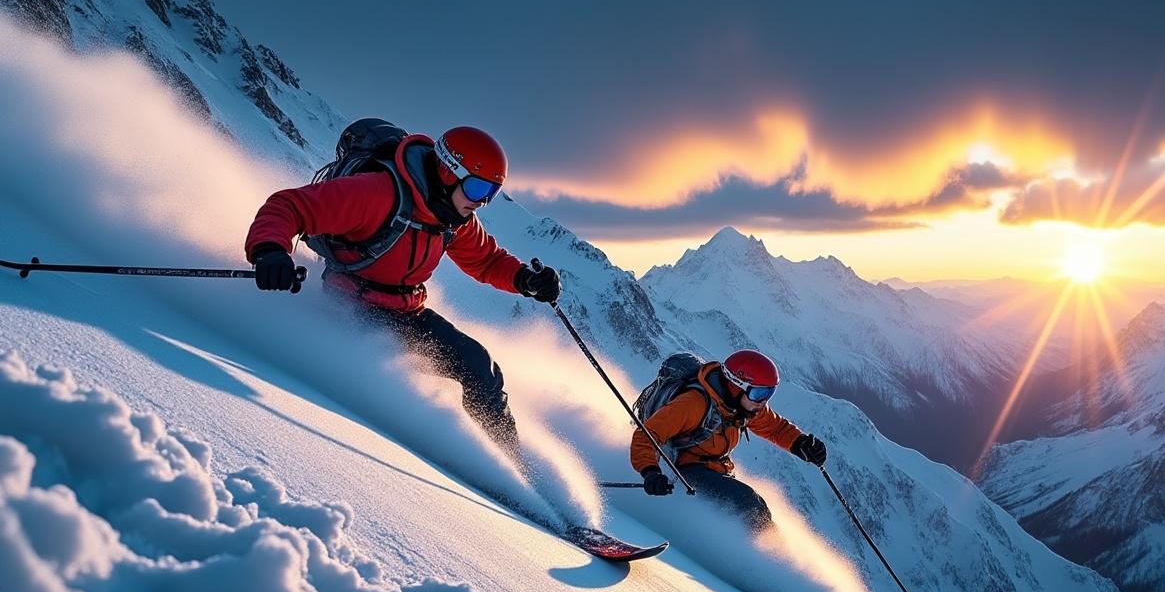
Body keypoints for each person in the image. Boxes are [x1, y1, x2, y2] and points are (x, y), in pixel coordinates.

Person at [244, 124, 561, 459]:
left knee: (480, 367)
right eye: (477, 188)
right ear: (448, 172)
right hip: (351, 307)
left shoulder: (454, 218)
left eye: (490, 194)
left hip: (406, 310)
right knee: (394, 382)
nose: (481, 202)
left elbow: (486, 260)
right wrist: (270, 250)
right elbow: (290, 207)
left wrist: (525, 279)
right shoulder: (378, 193)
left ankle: (511, 465)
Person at [630, 349, 827, 529]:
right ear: (736, 386)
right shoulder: (693, 404)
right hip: (682, 470)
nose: (763, 401)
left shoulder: (743, 406)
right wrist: (651, 472)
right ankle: (764, 557)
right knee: (749, 505)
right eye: (759, 393)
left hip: (714, 468)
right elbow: (646, 435)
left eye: (769, 393)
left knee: (753, 506)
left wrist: (800, 443)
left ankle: (773, 553)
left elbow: (776, 428)